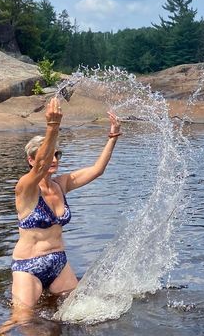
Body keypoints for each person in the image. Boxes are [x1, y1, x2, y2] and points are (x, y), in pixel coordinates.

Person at [11, 95, 122, 308]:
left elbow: (97, 170)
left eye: (57, 155)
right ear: (31, 160)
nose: (53, 159)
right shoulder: (26, 188)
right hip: (28, 266)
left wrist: (113, 136)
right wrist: (52, 126)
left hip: (58, 263)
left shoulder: (61, 184)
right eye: (48, 155)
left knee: (78, 310)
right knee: (22, 319)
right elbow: (41, 167)